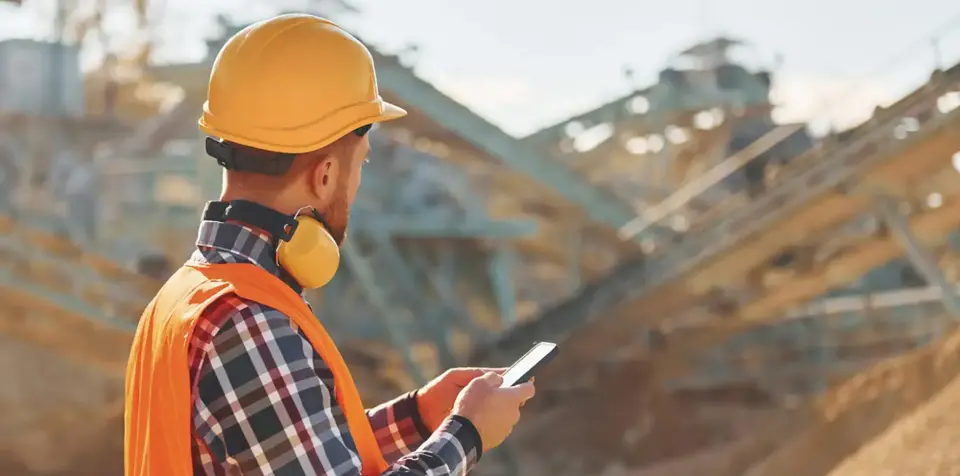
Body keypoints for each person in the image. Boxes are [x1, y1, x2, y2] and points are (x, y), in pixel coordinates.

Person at [123, 14, 535, 476]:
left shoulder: (187, 298)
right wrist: (467, 434)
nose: (356, 185)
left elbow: (280, 451)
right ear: (324, 175)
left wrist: (417, 417)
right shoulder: (249, 323)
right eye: (359, 164)